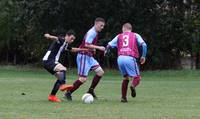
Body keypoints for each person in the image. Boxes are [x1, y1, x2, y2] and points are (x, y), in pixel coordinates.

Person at [64, 17, 106, 101]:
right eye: (101, 25)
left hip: (89, 56)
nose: (102, 27)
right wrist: (99, 47)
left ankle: (91, 90)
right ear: (96, 24)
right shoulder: (92, 32)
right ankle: (68, 92)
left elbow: (89, 44)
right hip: (83, 56)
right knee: (83, 79)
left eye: (103, 26)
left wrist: (93, 49)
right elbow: (87, 44)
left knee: (100, 72)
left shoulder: (95, 32)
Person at [105, 23, 147, 102]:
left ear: (123, 29)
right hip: (130, 57)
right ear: (130, 29)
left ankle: (123, 98)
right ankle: (133, 86)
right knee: (137, 77)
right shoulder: (135, 35)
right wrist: (143, 56)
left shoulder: (119, 36)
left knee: (125, 78)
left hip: (120, 58)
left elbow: (109, 45)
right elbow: (144, 45)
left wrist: (106, 52)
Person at [43, 30, 88, 102]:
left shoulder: (65, 44)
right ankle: (63, 85)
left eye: (73, 39)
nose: (72, 40)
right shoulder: (62, 40)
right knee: (63, 69)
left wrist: (84, 50)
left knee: (60, 77)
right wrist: (49, 36)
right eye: (71, 38)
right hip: (49, 60)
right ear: (67, 36)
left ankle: (52, 96)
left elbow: (72, 49)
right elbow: (56, 38)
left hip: (48, 62)